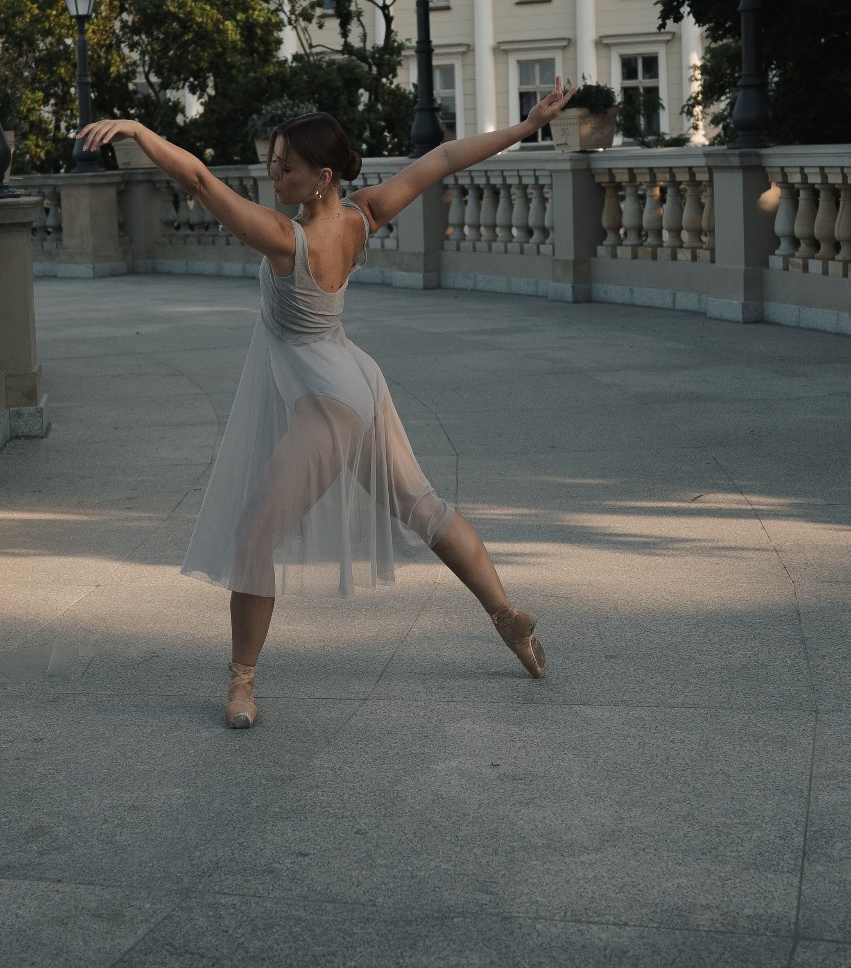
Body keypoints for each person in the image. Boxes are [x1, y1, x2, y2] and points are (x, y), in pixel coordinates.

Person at [74, 77, 576, 729]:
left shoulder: (287, 239)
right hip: (357, 381)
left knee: (254, 537)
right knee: (424, 507)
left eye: (286, 165)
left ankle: (242, 683)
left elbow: (198, 179)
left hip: (326, 400)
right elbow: (445, 158)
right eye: (273, 159)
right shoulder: (363, 215)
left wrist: (140, 131)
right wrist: (527, 125)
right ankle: (506, 617)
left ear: (323, 177)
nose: (273, 172)